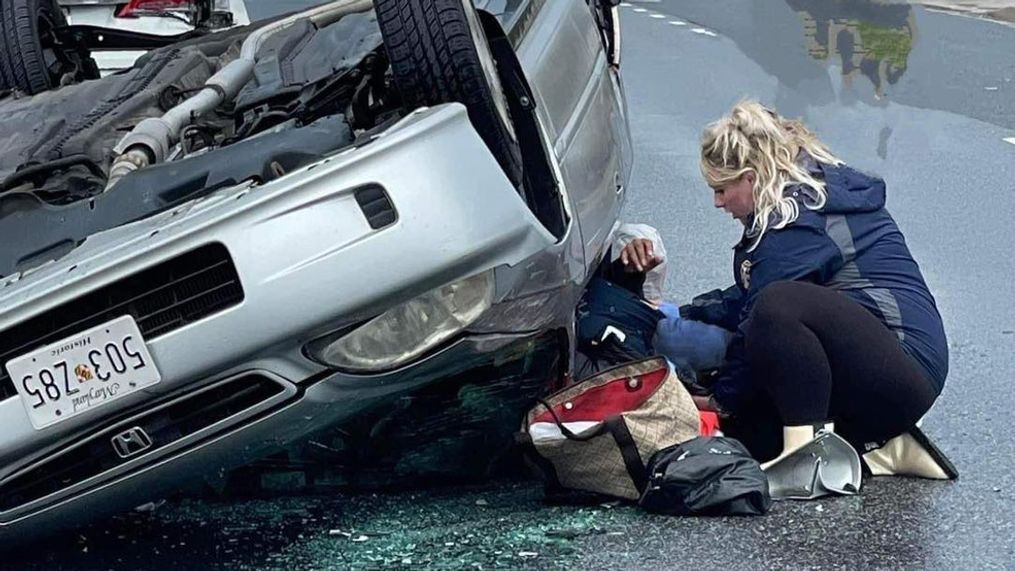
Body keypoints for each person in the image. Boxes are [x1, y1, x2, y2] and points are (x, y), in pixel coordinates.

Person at [671, 100, 949, 471]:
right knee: (747, 435)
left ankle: (808, 462)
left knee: (777, 307)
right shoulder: (801, 200)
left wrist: (722, 400)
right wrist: (689, 312)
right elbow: (752, 299)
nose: (717, 202)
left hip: (903, 365)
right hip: (882, 366)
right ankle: (882, 446)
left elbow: (764, 311)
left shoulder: (798, 216)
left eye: (722, 189)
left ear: (751, 178)